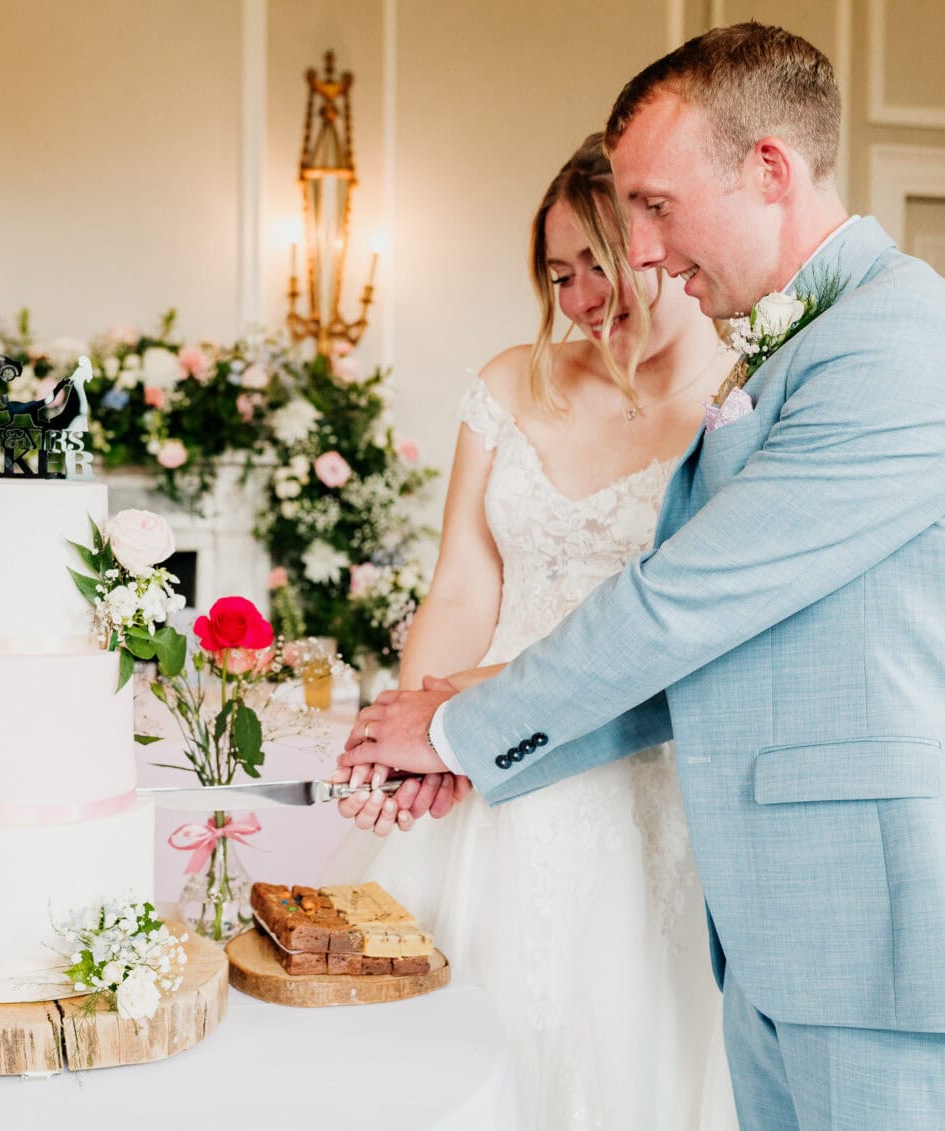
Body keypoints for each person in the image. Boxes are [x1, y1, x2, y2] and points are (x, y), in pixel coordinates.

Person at [340, 23, 945, 1131]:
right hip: (786, 930)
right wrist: (464, 731)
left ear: (766, 169)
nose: (641, 251)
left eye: (656, 206)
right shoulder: (797, 347)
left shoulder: (900, 347)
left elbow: (682, 603)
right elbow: (710, 657)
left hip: (894, 927)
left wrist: (453, 728)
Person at [333, 132, 737, 1130]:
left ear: (655, 245)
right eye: (556, 274)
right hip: (477, 765)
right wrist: (410, 742)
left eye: (592, 264)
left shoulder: (736, 410)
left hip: (634, 770)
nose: (576, 297)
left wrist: (459, 723)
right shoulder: (513, 382)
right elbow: (461, 589)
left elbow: (684, 628)